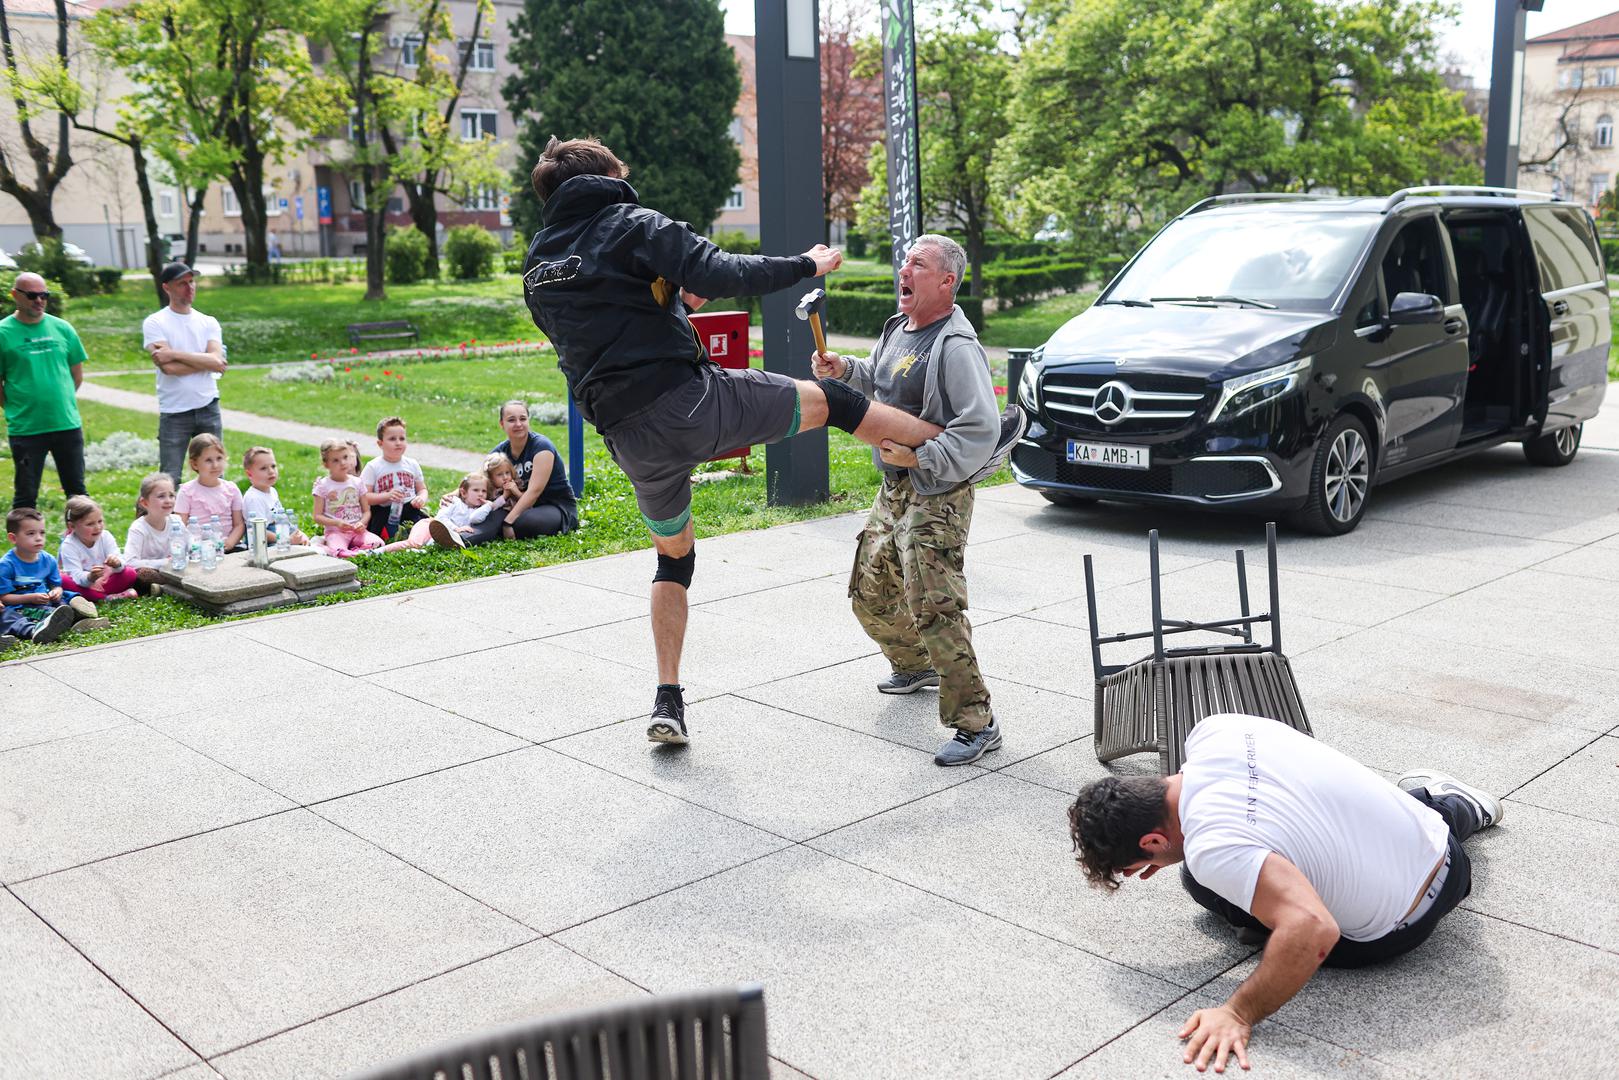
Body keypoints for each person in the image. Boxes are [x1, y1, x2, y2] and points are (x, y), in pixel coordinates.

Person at [520, 136, 1019, 746]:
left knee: (674, 560)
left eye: (918, 265)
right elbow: (725, 272)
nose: (904, 272)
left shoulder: (538, 265)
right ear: (607, 176)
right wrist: (809, 263)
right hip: (691, 406)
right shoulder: (632, 223)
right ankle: (973, 446)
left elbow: (611, 322)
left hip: (629, 442)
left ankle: (668, 699)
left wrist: (671, 299)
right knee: (836, 407)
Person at [1067, 713, 1503, 1074]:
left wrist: (1238, 1012)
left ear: (1153, 842)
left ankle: (1271, 926)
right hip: (1440, 843)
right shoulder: (1213, 731)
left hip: (1397, 930)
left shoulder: (1211, 848)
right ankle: (1454, 803)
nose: (1145, 871)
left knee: (1201, 882)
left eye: (1138, 865)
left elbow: (1314, 929)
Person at [812, 234, 1017, 766]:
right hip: (894, 487)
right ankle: (917, 664)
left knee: (935, 606)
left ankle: (977, 723)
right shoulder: (899, 330)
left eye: (918, 264)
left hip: (939, 491)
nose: (904, 269)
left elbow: (980, 428)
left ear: (947, 281)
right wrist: (847, 370)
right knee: (870, 589)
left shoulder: (957, 347)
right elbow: (885, 381)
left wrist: (920, 458)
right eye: (905, 260)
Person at [0, 271, 87, 511]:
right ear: (15, 295)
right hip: (27, 428)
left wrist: (60, 399)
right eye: (32, 295)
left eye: (44, 295)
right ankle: (24, 546)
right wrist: (16, 406)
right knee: (26, 496)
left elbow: (76, 374)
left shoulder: (63, 328)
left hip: (66, 423)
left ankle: (83, 546)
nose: (39, 300)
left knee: (78, 495)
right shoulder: (3, 333)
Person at [143, 262, 226, 485]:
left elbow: (218, 362)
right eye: (182, 283)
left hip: (208, 405)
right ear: (167, 288)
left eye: (191, 282)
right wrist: (205, 361)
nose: (189, 287)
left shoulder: (208, 322)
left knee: (215, 473)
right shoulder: (155, 322)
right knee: (170, 478)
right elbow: (168, 368)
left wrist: (174, 354)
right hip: (175, 411)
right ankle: (169, 520)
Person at [462, 399, 576, 544]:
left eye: (523, 418)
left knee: (522, 521)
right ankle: (461, 539)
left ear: (528, 421)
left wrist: (508, 522)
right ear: (502, 424)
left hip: (554, 507)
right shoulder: (501, 452)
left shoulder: (542, 447)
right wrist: (454, 494)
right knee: (491, 513)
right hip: (515, 505)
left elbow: (534, 491)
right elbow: (478, 478)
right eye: (511, 420)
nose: (518, 424)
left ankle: (502, 527)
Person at [1, 507, 87, 645]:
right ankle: (36, 630)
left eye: (42, 533)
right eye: (31, 533)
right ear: (13, 538)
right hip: (20, 606)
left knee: (66, 596)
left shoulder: (48, 560)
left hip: (45, 600)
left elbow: (55, 585)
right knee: (8, 617)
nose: (38, 538)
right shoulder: (6, 565)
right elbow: (4, 598)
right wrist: (30, 598)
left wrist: (56, 592)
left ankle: (80, 614)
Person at [361, 417, 429, 542]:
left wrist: (421, 498)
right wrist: (387, 496)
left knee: (424, 525)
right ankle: (398, 539)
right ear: (380, 443)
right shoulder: (373, 466)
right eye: (392, 439)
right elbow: (364, 497)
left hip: (410, 508)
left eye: (402, 438)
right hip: (384, 512)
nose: (398, 442)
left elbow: (422, 489)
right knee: (388, 534)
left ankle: (419, 536)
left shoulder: (412, 464)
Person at [311, 437, 382, 557]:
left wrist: (362, 523)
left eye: (345, 457)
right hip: (336, 532)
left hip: (358, 531)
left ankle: (348, 552)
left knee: (378, 543)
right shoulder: (323, 486)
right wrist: (336, 523)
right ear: (326, 464)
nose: (343, 463)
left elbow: (366, 511)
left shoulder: (358, 482)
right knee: (338, 549)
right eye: (336, 460)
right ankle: (338, 549)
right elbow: (317, 516)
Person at [59, 495, 139, 601]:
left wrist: (117, 564)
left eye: (100, 521)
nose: (97, 527)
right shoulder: (69, 546)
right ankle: (107, 598)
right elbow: (75, 575)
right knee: (62, 580)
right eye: (90, 524)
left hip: (107, 581)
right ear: (72, 526)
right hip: (84, 585)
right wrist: (90, 578)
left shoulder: (105, 536)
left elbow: (121, 562)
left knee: (130, 573)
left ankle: (101, 596)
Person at [174, 433, 245, 553]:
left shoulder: (231, 489)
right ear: (195, 464)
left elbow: (239, 524)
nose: (215, 465)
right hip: (198, 551)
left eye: (219, 458)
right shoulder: (187, 492)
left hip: (229, 548)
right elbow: (180, 527)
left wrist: (230, 542)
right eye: (208, 460)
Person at [240, 447, 307, 545]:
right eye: (263, 468)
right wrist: (286, 539)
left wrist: (299, 534)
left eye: (273, 466)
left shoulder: (272, 491)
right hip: (264, 542)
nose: (271, 471)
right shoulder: (254, 498)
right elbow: (257, 532)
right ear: (249, 474)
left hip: (278, 531)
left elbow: (281, 519)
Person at [125, 472, 178, 588]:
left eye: (171, 495)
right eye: (161, 496)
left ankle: (166, 586)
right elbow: (130, 563)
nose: (168, 500)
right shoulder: (138, 528)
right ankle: (168, 586)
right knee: (144, 574)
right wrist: (165, 562)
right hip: (153, 571)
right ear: (145, 503)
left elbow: (189, 547)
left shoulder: (176, 521)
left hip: (175, 568)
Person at [427, 472, 500, 549]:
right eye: (476, 490)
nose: (481, 494)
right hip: (441, 535)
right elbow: (440, 518)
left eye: (484, 491)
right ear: (463, 493)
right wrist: (456, 528)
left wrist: (488, 506)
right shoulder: (454, 502)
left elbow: (475, 519)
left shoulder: (480, 510)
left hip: (458, 539)